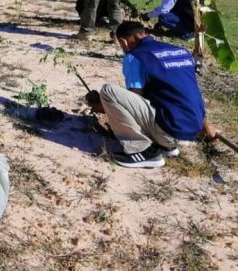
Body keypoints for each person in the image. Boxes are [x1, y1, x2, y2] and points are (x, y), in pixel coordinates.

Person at [85, 21, 217, 168]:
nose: (123, 49)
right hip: (192, 129)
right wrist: (206, 126)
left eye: (122, 45)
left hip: (170, 130)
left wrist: (101, 106)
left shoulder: (135, 57)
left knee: (108, 91)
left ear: (123, 41)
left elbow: (136, 98)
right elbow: (188, 91)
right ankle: (168, 146)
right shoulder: (181, 52)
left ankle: (143, 151)